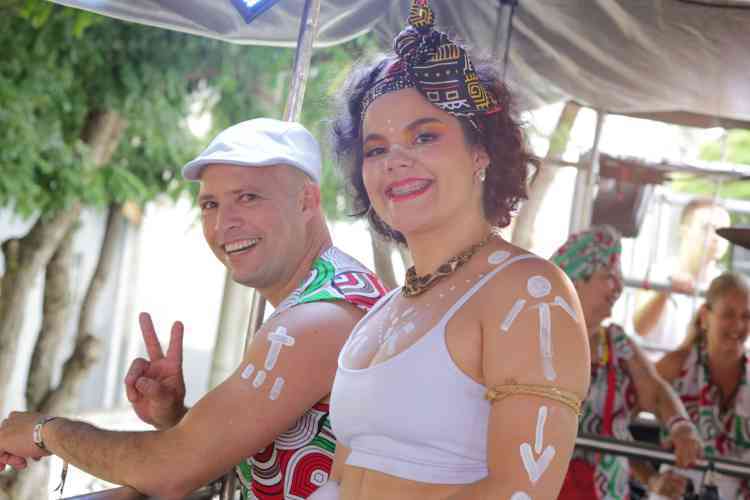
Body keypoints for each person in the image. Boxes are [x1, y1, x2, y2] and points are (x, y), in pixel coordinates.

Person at [0, 118, 386, 500]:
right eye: (210, 204)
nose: (223, 224)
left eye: (248, 197)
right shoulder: (327, 292)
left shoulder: (321, 316)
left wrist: (44, 431)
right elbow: (233, 458)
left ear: (306, 200)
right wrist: (175, 417)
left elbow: (170, 470)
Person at [309, 2, 590, 499]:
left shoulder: (529, 294)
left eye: (424, 136)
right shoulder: (384, 311)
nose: (396, 160)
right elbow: (340, 478)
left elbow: (520, 490)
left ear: (481, 151)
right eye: (376, 148)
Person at [549, 226, 702, 500]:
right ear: (576, 279)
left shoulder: (615, 344)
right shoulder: (537, 339)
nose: (619, 287)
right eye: (609, 276)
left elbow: (654, 393)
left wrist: (681, 427)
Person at [656, 272, 750, 499]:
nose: (738, 325)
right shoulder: (675, 366)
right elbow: (615, 423)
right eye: (728, 314)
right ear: (705, 316)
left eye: (747, 316)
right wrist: (650, 479)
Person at [634, 199, 731, 351]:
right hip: (655, 364)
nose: (717, 236)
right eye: (707, 228)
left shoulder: (727, 286)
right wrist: (664, 292)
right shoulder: (658, 272)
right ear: (684, 231)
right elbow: (640, 328)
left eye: (724, 230)